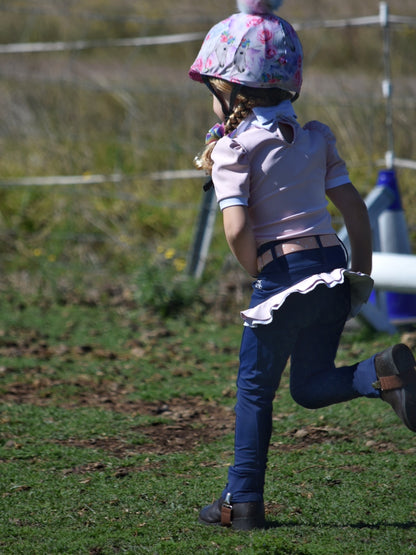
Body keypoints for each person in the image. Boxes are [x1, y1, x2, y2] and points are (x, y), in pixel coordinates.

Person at [189, 0, 416, 530]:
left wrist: (259, 273)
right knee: (310, 386)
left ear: (232, 92)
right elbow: (356, 210)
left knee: (254, 392)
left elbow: (239, 229)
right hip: (331, 266)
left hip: (283, 275)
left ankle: (241, 502)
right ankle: (380, 376)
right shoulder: (315, 137)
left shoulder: (234, 149)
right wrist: (355, 279)